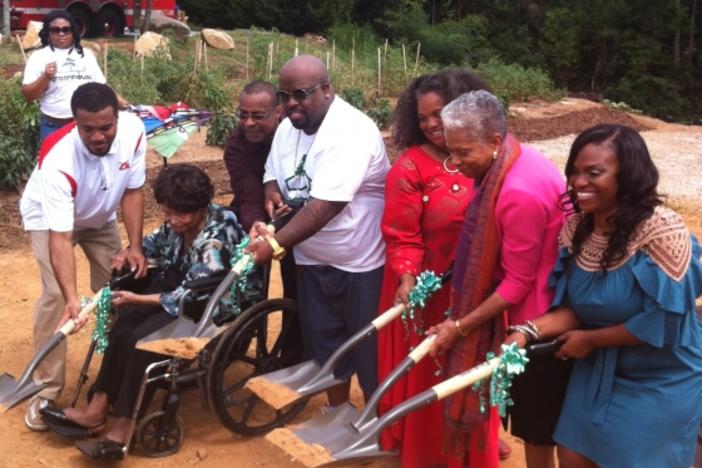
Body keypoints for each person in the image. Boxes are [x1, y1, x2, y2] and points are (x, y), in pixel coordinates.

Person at [505, 124, 702, 468]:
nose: (579, 182)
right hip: (597, 369)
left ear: (628, 176)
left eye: (593, 172)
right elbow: (575, 309)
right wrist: (525, 332)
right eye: (574, 172)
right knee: (572, 455)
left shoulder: (661, 230)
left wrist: (591, 340)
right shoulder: (576, 230)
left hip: (661, 373)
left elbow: (664, 322)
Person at [39, 164, 247, 460]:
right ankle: (98, 407)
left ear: (201, 208)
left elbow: (196, 293)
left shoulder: (217, 233)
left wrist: (139, 298)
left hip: (205, 301)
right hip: (177, 284)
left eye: (180, 214)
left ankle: (123, 424)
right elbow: (153, 244)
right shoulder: (177, 221)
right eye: (168, 212)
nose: (172, 220)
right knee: (122, 328)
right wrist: (128, 253)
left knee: (143, 341)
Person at [427, 90, 570, 468]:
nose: (455, 164)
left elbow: (517, 281)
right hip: (541, 309)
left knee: (536, 430)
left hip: (538, 323)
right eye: (450, 151)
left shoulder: (517, 191)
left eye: (463, 153)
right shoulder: (516, 159)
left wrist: (461, 326)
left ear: (493, 141)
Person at [246, 55, 389, 406]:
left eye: (300, 93)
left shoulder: (351, 131)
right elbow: (270, 171)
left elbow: (326, 206)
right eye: (284, 95)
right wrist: (271, 190)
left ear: (326, 90)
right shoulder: (287, 127)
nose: (291, 102)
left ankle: (375, 425)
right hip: (311, 258)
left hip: (359, 262)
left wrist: (275, 246)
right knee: (325, 344)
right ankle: (338, 412)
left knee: (368, 349)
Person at [376, 69, 492, 468]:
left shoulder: (490, 158)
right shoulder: (410, 168)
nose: (429, 125)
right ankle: (428, 450)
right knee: (433, 371)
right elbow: (402, 233)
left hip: (478, 290)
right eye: (422, 117)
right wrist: (409, 276)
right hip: (428, 290)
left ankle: (474, 444)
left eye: (438, 115)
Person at [19, 82, 147, 431]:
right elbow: (60, 238)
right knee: (56, 296)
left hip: (100, 215)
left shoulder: (134, 130)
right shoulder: (58, 157)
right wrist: (74, 299)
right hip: (52, 219)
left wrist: (134, 246)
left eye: (106, 127)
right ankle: (45, 389)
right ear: (75, 122)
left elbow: (133, 191)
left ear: (117, 117)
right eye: (87, 129)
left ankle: (113, 379)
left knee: (120, 289)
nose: (98, 136)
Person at [223, 79, 302, 363]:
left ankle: (292, 359)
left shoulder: (296, 136)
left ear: (278, 112)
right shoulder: (235, 143)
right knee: (241, 271)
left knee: (297, 284)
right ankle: (235, 342)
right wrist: (256, 223)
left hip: (295, 211)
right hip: (254, 209)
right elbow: (247, 190)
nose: (248, 122)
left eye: (258, 115)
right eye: (243, 114)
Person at [21, 10, 127, 144]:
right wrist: (46, 77)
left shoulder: (86, 55)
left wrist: (125, 105)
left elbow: (101, 87)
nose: (61, 33)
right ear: (48, 32)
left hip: (85, 127)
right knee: (55, 165)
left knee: (86, 164)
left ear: (73, 31)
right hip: (53, 127)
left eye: (66, 29)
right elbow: (28, 95)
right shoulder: (39, 57)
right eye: (55, 30)